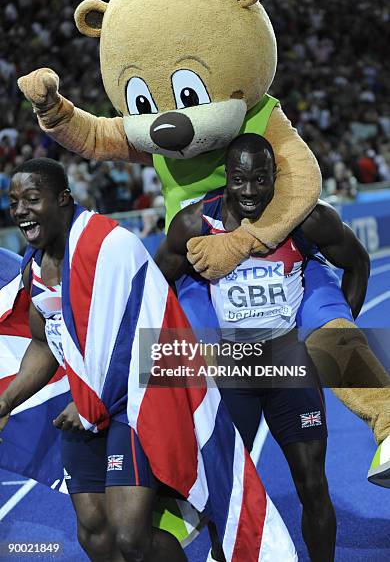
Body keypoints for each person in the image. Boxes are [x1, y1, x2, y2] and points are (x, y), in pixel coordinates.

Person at [0, 158, 296, 562]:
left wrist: (92, 403)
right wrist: (6, 401)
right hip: (83, 408)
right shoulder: (33, 265)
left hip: (132, 406)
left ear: (63, 198)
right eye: (14, 201)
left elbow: (143, 335)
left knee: (130, 536)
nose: (19, 210)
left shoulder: (110, 246)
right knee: (93, 533)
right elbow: (44, 341)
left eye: (32, 199)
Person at [156, 133, 374, 562]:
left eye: (260, 179)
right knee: (227, 489)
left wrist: (333, 319)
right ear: (227, 177)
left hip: (289, 365)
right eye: (240, 180)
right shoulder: (195, 224)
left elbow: (358, 262)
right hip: (231, 372)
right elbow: (155, 286)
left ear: (275, 175)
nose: (251, 191)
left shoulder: (304, 219)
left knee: (312, 484)